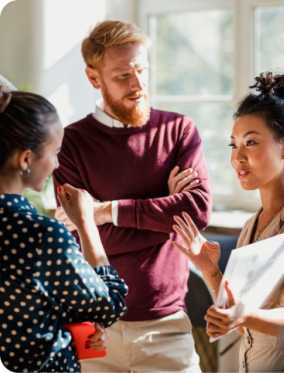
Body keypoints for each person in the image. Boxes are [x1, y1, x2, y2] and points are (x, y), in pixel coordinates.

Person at [52, 21, 211, 373]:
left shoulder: (179, 130)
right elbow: (79, 237)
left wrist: (105, 212)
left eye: (142, 69)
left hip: (167, 326)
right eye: (123, 75)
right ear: (94, 78)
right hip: (95, 329)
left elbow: (196, 211)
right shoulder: (70, 144)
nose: (138, 84)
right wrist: (165, 217)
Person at [173, 72, 284, 373]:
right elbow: (241, 322)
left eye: (250, 143)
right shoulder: (252, 225)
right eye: (233, 145)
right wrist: (210, 269)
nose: (237, 157)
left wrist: (243, 316)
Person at [0, 81, 128, 373]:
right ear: (26, 158)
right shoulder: (41, 235)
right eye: (55, 152)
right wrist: (86, 224)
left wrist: (69, 327)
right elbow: (110, 304)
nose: (57, 164)